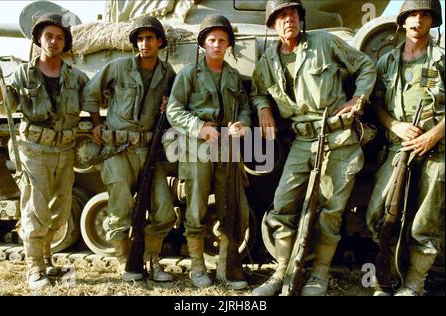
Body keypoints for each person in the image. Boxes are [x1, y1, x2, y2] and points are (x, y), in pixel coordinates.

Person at [251, 0, 376, 296]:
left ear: (300, 18)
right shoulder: (268, 60)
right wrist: (263, 109)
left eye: (292, 13)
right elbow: (257, 91)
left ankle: (319, 273)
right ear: (272, 24)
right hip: (302, 140)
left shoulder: (325, 42)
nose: (288, 19)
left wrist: (358, 98)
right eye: (280, 16)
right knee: (283, 205)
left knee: (330, 210)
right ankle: (283, 271)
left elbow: (366, 65)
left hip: (338, 137)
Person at [0, 13, 89, 290]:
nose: (54, 41)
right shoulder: (23, 73)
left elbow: (94, 101)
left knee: (60, 211)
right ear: (38, 39)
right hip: (34, 149)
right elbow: (7, 107)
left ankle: (47, 258)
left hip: (64, 148)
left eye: (60, 37)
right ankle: (35, 267)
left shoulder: (77, 76)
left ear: (65, 43)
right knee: (36, 210)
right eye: (49, 36)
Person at [83, 16, 176, 282]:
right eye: (140, 38)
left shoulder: (167, 73)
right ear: (135, 43)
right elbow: (91, 93)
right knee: (120, 210)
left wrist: (168, 107)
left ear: (159, 41)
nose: (145, 43)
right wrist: (96, 124)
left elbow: (178, 105)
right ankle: (126, 261)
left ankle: (151, 260)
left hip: (148, 151)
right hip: (118, 150)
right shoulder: (119, 67)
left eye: (150, 38)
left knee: (165, 212)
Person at [166, 15, 251, 289]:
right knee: (196, 207)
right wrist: (199, 126)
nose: (216, 44)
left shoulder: (234, 76)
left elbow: (246, 107)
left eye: (222, 40)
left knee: (231, 206)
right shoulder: (188, 74)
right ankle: (198, 268)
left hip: (227, 147)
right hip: (197, 148)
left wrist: (243, 124)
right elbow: (174, 109)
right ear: (203, 43)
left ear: (228, 45)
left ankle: (227, 269)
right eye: (211, 40)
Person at [366, 0, 444, 296]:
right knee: (379, 213)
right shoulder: (387, 60)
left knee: (424, 223)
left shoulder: (442, 59)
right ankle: (385, 275)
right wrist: (394, 125)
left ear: (432, 21)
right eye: (412, 14)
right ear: (402, 20)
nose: (417, 20)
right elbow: (376, 102)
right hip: (399, 147)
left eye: (424, 15)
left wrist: (432, 136)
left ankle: (414, 283)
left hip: (436, 149)